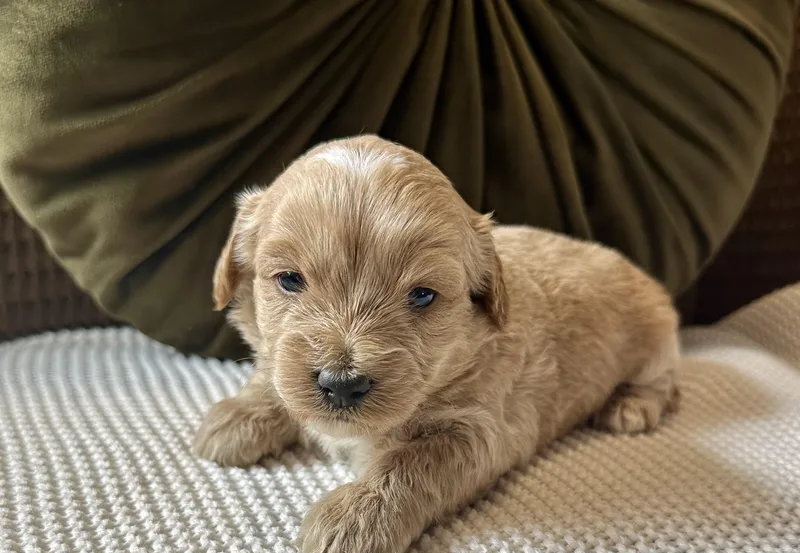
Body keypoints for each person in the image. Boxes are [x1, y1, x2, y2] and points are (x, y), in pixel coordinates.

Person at [0, 1, 796, 358]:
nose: (347, 361)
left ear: (490, 295)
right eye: (288, 280)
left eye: (421, 296)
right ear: (235, 266)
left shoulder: (492, 319)